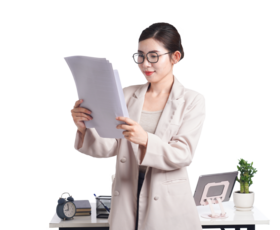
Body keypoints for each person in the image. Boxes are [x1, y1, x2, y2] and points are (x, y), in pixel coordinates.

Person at [70, 20, 205, 230]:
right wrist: (84, 127)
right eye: (140, 56)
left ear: (175, 57)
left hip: (168, 203)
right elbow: (109, 147)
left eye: (153, 56)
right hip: (127, 193)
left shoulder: (193, 99)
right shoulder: (126, 94)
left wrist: (145, 140)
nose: (145, 64)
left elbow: (184, 154)